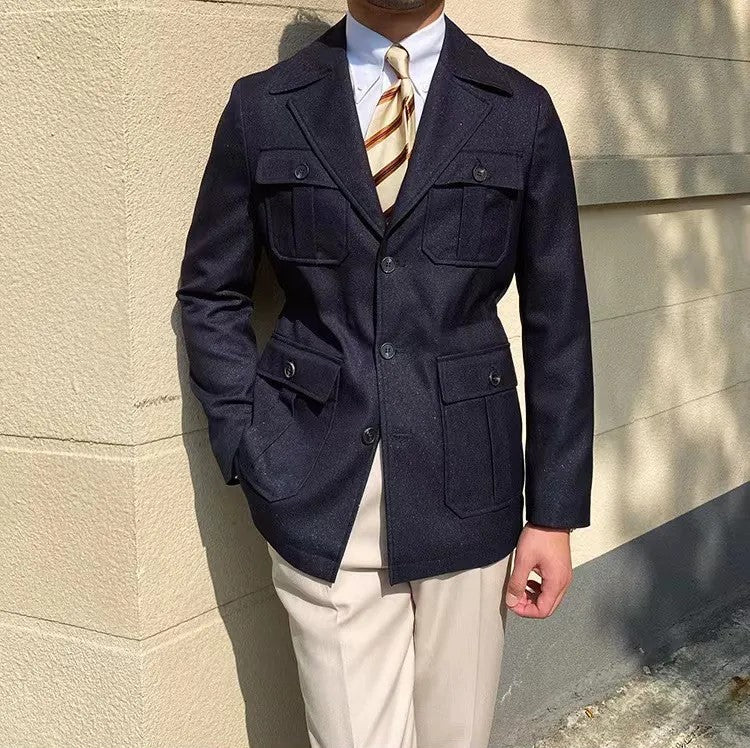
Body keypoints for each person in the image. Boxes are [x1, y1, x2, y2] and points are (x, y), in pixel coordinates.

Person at [176, 1, 594, 745]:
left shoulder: (519, 110)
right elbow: (211, 293)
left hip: (470, 485)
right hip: (316, 486)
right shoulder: (264, 106)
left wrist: (553, 514)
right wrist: (247, 441)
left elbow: (557, 323)